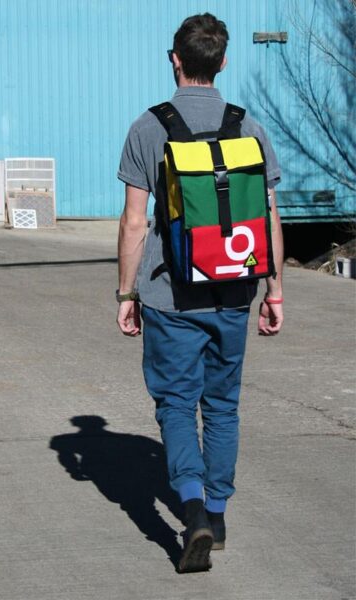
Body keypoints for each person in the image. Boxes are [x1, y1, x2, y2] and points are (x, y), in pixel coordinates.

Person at [116, 13, 284, 573]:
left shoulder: (149, 127)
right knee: (223, 405)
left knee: (175, 403)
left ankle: (191, 514)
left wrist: (125, 292)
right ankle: (218, 509)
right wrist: (275, 290)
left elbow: (135, 222)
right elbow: (269, 217)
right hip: (235, 288)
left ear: (175, 59)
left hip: (170, 295)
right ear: (224, 62)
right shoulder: (249, 127)